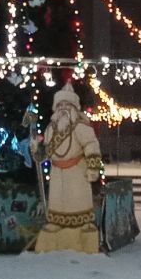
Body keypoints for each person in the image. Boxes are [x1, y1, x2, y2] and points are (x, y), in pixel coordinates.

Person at [30, 82, 102, 254]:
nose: (63, 108)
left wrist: (93, 168)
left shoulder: (80, 126)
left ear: (73, 107)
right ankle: (55, 227)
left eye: (67, 104)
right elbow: (45, 153)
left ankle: (82, 229)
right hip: (57, 174)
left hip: (77, 173)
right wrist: (36, 148)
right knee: (57, 207)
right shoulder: (50, 129)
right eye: (60, 104)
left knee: (77, 205)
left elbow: (91, 146)